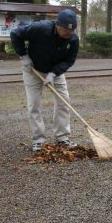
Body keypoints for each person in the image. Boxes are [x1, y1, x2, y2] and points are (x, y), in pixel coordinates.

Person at [10, 9, 80, 152]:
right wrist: (24, 56)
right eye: (66, 30)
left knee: (64, 101)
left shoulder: (73, 39)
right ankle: (38, 139)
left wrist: (54, 74)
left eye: (71, 31)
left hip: (55, 72)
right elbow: (15, 34)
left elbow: (69, 60)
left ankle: (62, 136)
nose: (69, 34)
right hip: (33, 69)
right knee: (33, 105)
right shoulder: (40, 28)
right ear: (58, 25)